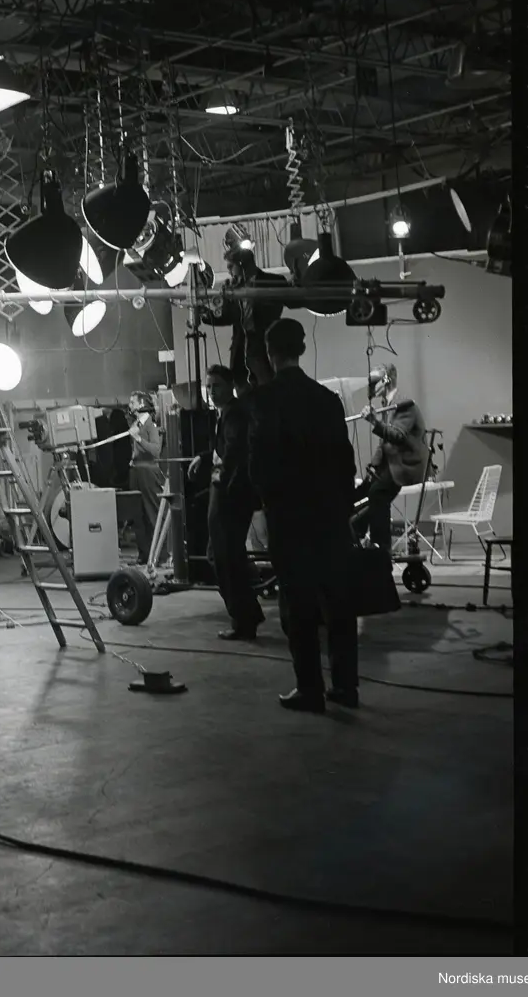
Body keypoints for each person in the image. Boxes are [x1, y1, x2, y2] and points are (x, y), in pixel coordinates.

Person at [248, 318, 360, 712]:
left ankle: (310, 689)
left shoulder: (265, 400)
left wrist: (265, 502)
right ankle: (346, 687)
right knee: (338, 604)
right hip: (329, 516)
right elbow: (345, 460)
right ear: (302, 349)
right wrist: (343, 507)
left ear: (270, 353)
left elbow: (259, 462)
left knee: (298, 605)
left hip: (289, 516)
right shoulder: (327, 400)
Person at [189, 365, 264, 639]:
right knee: (225, 555)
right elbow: (224, 448)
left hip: (230, 495)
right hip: (229, 492)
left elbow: (234, 450)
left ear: (230, 385)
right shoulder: (227, 413)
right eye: (208, 387)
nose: (211, 392)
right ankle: (247, 614)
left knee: (225, 557)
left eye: (216, 386)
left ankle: (244, 619)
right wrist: (204, 457)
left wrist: (220, 477)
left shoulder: (234, 413)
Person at [351, 363, 428, 551]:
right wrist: (373, 466)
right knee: (360, 493)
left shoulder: (404, 405)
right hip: (391, 463)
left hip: (405, 465)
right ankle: (356, 539)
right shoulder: (387, 404)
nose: (370, 386)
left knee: (378, 494)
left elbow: (398, 436)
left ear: (386, 380)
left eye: (374, 381)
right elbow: (384, 443)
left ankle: (381, 548)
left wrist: (375, 422)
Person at [223, 246, 284, 393]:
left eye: (231, 267)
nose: (229, 271)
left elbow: (274, 310)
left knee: (268, 389)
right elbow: (227, 317)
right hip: (240, 346)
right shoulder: (233, 287)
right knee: (242, 392)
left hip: (263, 344)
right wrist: (224, 301)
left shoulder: (273, 281)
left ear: (242, 264)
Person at [127, 391, 166, 565]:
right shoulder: (136, 424)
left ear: (141, 404)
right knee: (138, 514)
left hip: (148, 473)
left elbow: (156, 451)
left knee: (152, 512)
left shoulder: (150, 425)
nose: (130, 405)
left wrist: (138, 439)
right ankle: (144, 554)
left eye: (133, 402)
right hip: (136, 471)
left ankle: (161, 554)